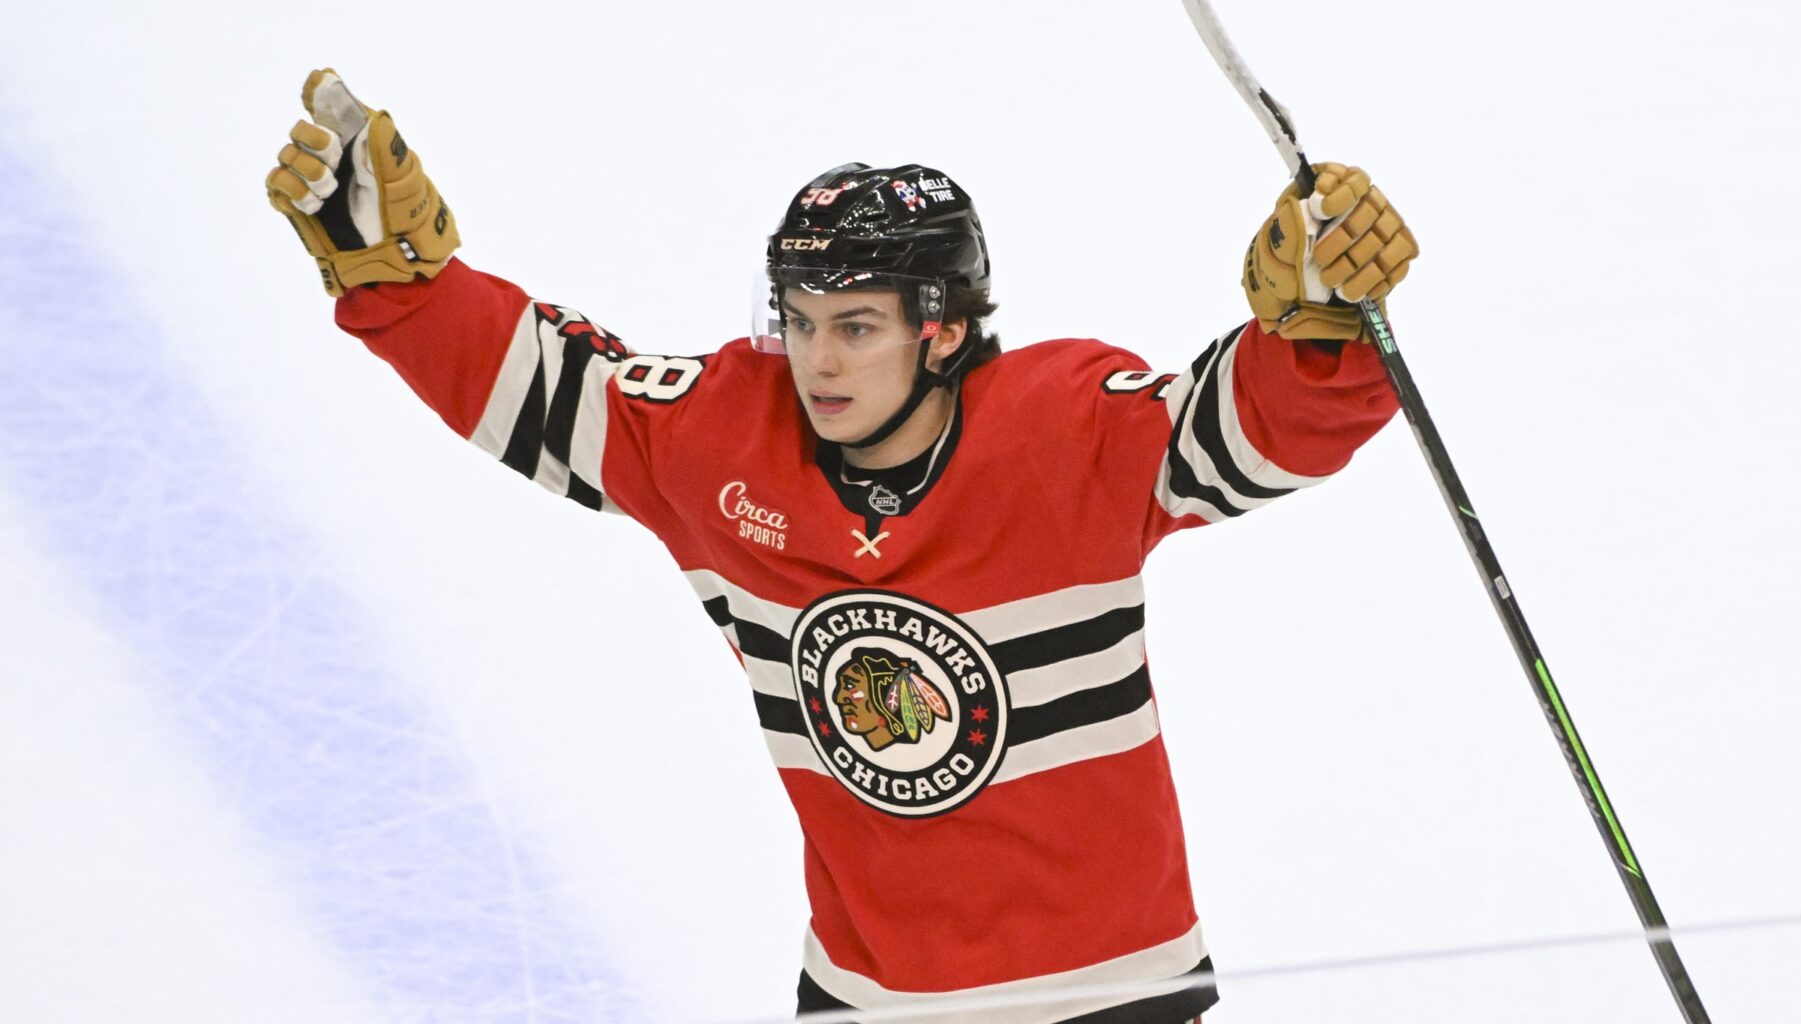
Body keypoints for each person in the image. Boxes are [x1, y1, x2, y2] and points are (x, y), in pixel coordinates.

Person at [266, 68, 1417, 1024]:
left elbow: (1244, 432)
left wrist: (1315, 328)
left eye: (856, 328)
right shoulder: (725, 440)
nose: (819, 362)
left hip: (1110, 994)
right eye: (802, 322)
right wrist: (399, 282)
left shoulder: (1068, 435)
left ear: (945, 328)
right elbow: (548, 387)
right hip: (869, 995)